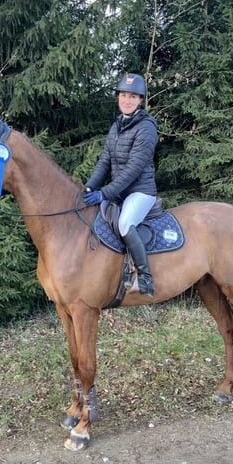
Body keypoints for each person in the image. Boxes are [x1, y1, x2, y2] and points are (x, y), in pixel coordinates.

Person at [84, 73, 158, 297]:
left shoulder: (146, 128)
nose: (127, 100)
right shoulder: (117, 126)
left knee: (125, 223)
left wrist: (104, 193)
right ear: (118, 97)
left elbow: (133, 169)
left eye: (132, 97)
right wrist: (89, 188)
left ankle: (145, 278)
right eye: (124, 95)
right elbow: (104, 162)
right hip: (119, 193)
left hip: (140, 192)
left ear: (140, 100)